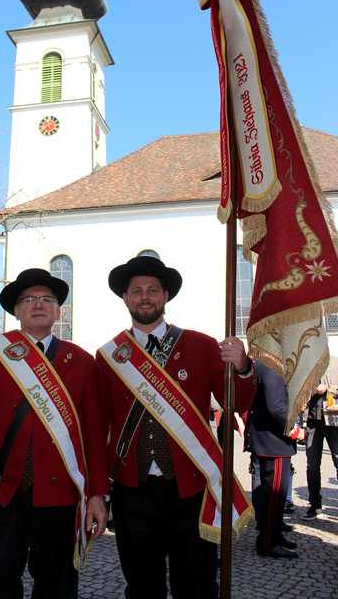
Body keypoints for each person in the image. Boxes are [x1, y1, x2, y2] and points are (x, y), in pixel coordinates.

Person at [95, 255, 257, 599]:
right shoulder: (109, 355)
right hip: (132, 491)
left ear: (165, 296)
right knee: (142, 587)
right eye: (136, 291)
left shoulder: (200, 345)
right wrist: (100, 489)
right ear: (125, 299)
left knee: (196, 585)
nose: (145, 297)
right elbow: (99, 427)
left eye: (153, 290)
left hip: (191, 490)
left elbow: (237, 403)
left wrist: (242, 366)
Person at [0, 267, 109, 599]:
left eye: (46, 299)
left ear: (58, 310)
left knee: (57, 585)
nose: (37, 305)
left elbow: (94, 435)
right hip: (1, 494)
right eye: (28, 300)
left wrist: (97, 494)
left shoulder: (81, 361)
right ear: (16, 311)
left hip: (60, 499)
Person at [245, 360, 304, 559]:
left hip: (268, 440)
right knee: (274, 495)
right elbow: (277, 408)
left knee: (271, 494)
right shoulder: (273, 366)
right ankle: (268, 542)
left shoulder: (264, 364)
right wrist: (296, 432)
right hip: (274, 441)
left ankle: (275, 533)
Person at [303, 377, 338, 519]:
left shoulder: (335, 362)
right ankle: (315, 505)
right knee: (312, 465)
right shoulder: (309, 362)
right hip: (312, 421)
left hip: (334, 422)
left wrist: (329, 389)